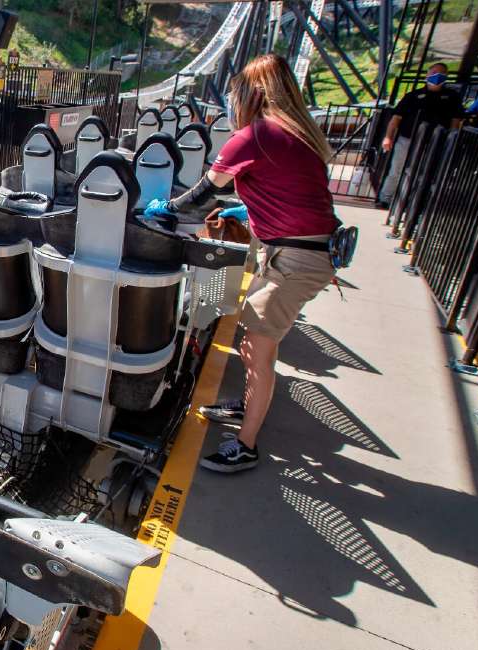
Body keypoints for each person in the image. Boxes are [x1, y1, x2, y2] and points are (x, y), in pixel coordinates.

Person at [144, 53, 338, 473]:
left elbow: (201, 195)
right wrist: (246, 213)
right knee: (256, 344)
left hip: (295, 258)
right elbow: (290, 196)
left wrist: (164, 209)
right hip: (298, 251)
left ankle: (245, 445)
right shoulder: (297, 134)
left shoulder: (257, 136)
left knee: (256, 345)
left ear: (251, 94)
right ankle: (249, 402)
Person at [378, 63, 464, 207]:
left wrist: (451, 139)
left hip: (434, 142)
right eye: (434, 72)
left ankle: (412, 203)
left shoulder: (451, 97)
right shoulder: (413, 96)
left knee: (424, 173)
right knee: (397, 170)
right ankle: (386, 198)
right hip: (407, 138)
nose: (437, 76)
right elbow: (396, 119)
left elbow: (455, 121)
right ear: (427, 75)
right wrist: (388, 137)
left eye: (442, 73)